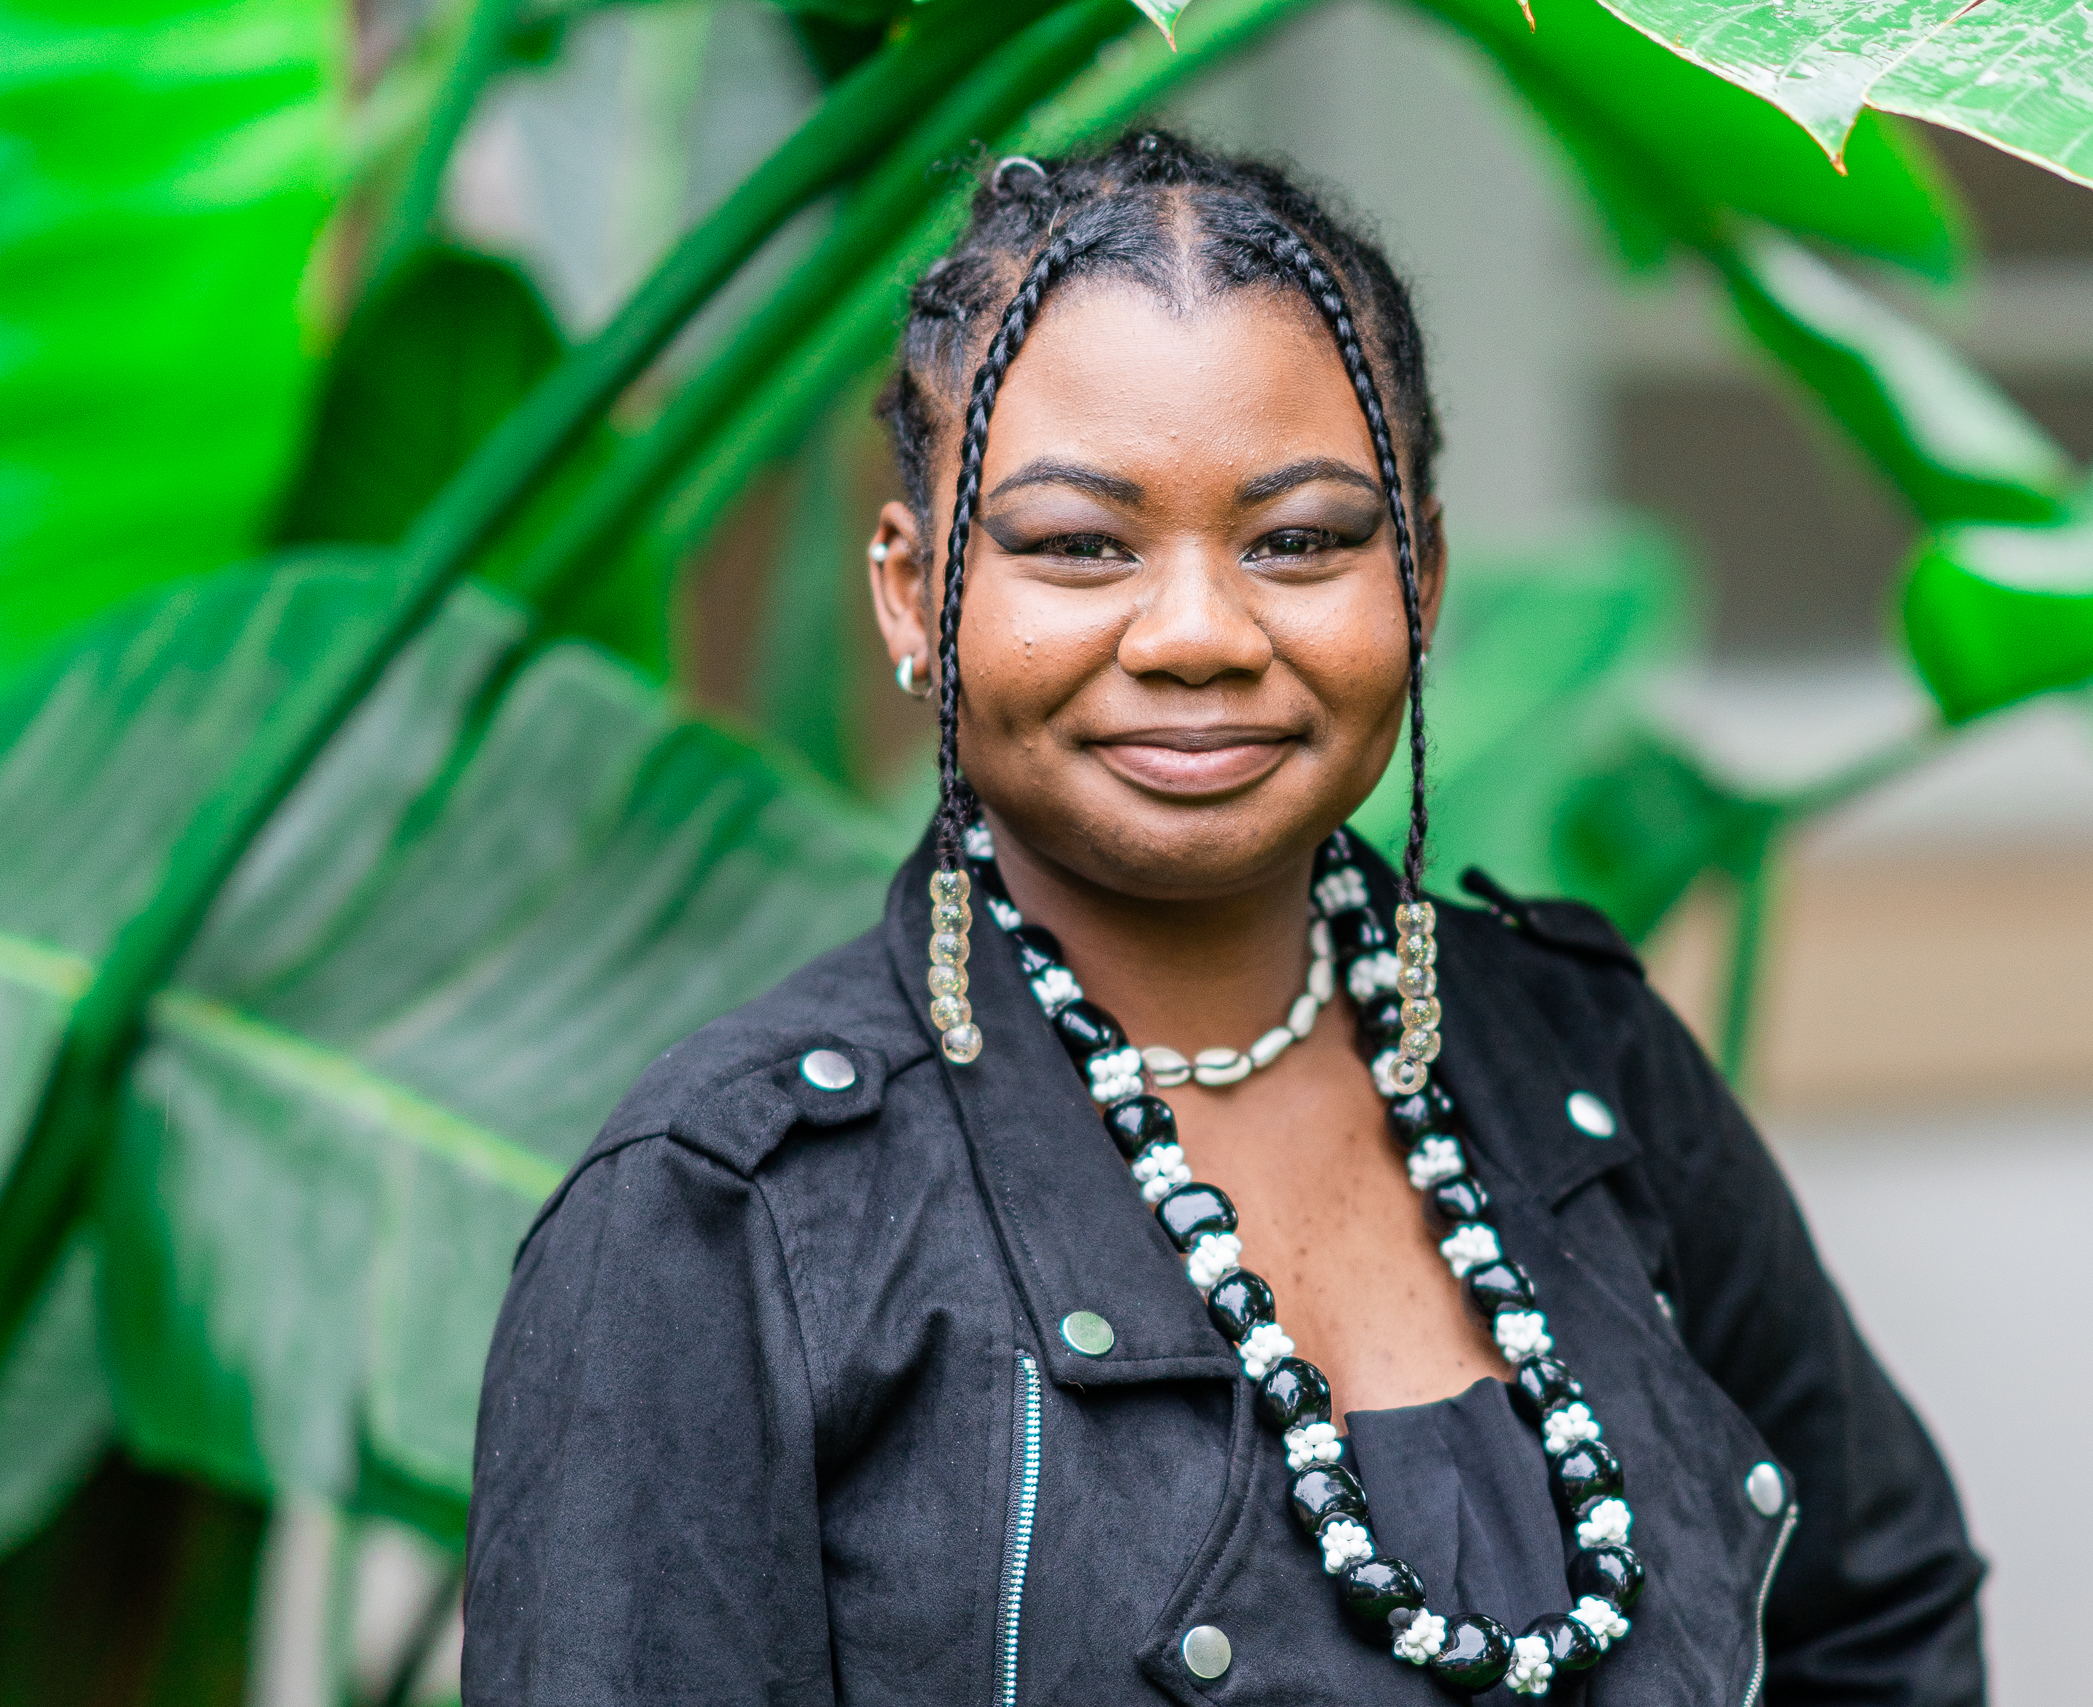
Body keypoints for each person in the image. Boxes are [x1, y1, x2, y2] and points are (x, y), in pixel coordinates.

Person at [463, 130, 1984, 1706]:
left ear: (1424, 576)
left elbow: (1880, 1606)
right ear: (912, 591)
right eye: (1077, 545)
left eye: (1300, 541)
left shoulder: (1587, 1070)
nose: (1197, 633)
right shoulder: (730, 1212)